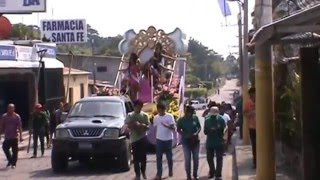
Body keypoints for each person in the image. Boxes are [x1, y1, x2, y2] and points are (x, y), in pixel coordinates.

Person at [125, 100, 150, 180]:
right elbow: (127, 126)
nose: (139, 108)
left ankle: (143, 172)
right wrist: (134, 125)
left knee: (143, 158)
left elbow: (148, 127)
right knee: (136, 158)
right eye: (137, 106)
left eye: (140, 106)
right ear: (135, 106)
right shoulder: (130, 115)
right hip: (134, 139)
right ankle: (137, 175)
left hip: (143, 138)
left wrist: (142, 126)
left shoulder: (145, 115)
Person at [177, 105, 201, 180]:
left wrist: (196, 133)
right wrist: (185, 135)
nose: (189, 113)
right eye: (187, 112)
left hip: (195, 141)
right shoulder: (181, 120)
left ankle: (195, 174)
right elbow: (178, 129)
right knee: (187, 159)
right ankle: (188, 175)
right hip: (186, 141)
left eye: (190, 112)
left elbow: (199, 127)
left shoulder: (195, 118)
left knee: (196, 158)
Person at [154, 102, 176, 180]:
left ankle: (170, 170)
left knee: (169, 157)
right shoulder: (156, 117)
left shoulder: (169, 116)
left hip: (168, 140)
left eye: (161, 110)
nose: (160, 111)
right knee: (159, 157)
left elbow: (173, 128)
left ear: (164, 109)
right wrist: (155, 139)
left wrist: (167, 125)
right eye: (158, 110)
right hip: (159, 139)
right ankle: (159, 174)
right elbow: (155, 128)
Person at [204, 106, 226, 179]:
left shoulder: (221, 119)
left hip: (219, 142)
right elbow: (205, 132)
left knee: (219, 159)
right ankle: (212, 172)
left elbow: (224, 130)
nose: (213, 116)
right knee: (209, 158)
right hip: (210, 143)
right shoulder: (207, 120)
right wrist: (211, 130)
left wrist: (218, 129)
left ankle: (218, 174)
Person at [0, 104, 23, 168]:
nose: (10, 109)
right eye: (9, 108)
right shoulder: (4, 116)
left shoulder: (17, 116)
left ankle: (14, 164)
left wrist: (21, 136)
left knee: (15, 151)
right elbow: (1, 126)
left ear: (14, 109)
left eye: (11, 108)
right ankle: (10, 160)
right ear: (7, 109)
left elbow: (20, 127)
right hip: (7, 136)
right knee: (5, 148)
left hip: (14, 136)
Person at [244, 87, 256, 169]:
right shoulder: (248, 103)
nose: (252, 96)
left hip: (262, 128)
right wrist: (252, 113)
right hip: (252, 128)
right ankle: (255, 163)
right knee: (254, 146)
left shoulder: (261, 101)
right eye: (251, 95)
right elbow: (245, 114)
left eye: (253, 94)